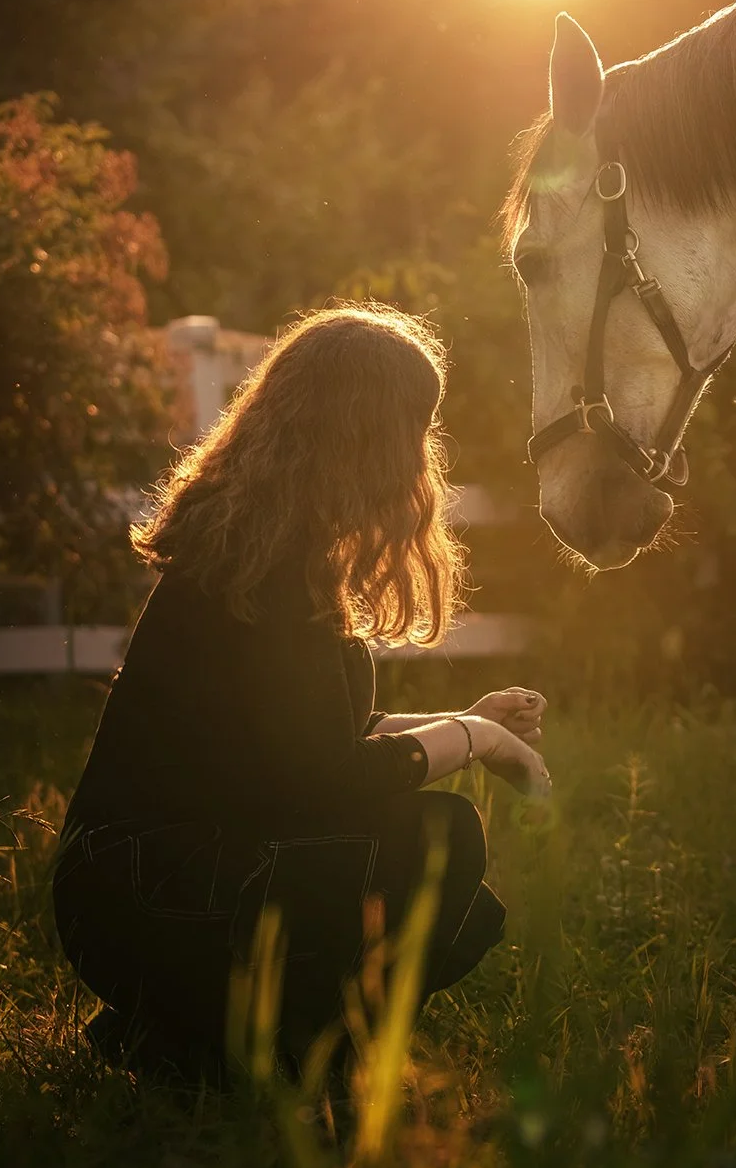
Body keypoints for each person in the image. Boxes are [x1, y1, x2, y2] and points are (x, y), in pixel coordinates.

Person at [51, 304, 551, 1080]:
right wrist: (477, 740)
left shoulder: (270, 551)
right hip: (143, 893)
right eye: (417, 429)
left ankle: (176, 1042)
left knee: (457, 900)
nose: (423, 458)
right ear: (372, 436)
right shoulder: (268, 573)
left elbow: (309, 739)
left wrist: (467, 717)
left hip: (140, 887)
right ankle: (299, 1057)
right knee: (434, 836)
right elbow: (327, 776)